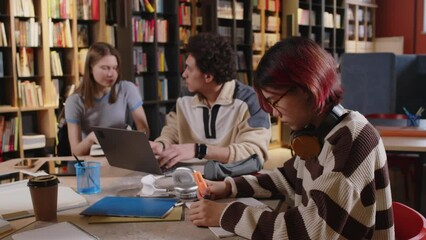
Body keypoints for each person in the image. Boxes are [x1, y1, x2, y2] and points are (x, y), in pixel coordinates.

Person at [188, 37, 394, 239]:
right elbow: (286, 178)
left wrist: (225, 214)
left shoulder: (352, 138)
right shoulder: (317, 131)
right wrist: (229, 186)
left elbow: (310, 230)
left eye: (274, 102)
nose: (275, 113)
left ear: (305, 88)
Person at [151, 33, 271, 169]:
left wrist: (199, 150)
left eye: (189, 68)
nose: (184, 74)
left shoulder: (251, 101)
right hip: (188, 180)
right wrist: (161, 145)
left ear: (208, 76)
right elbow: (172, 132)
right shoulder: (185, 98)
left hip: (231, 182)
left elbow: (254, 154)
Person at [65, 42, 149, 156]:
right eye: (105, 68)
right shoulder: (75, 101)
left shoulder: (127, 89)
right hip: (91, 160)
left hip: (123, 154)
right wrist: (92, 138)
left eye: (115, 68)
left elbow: (143, 129)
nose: (111, 74)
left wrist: (133, 143)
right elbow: (75, 152)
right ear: (90, 68)